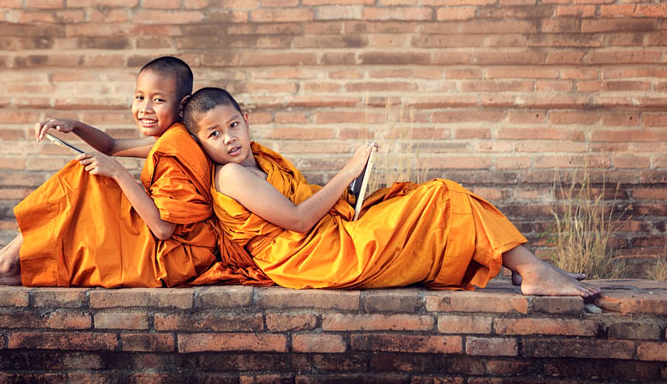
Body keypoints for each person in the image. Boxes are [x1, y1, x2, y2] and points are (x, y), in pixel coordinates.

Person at [182, 87, 600, 297]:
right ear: (202, 143)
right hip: (314, 257)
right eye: (214, 135)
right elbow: (298, 220)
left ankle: (531, 267)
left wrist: (354, 193)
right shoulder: (233, 177)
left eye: (233, 125)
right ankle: (531, 272)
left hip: (327, 236)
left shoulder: (260, 159)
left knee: (437, 194)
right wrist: (348, 171)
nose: (229, 139)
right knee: (442, 198)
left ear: (246, 119)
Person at [0, 57, 218, 287]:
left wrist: (118, 173)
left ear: (181, 106)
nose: (145, 109)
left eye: (158, 100)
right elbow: (111, 146)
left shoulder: (177, 145)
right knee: (85, 173)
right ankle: (6, 262)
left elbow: (162, 229)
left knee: (86, 176)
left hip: (173, 259)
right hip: (167, 250)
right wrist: (74, 125)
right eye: (139, 97)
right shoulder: (171, 138)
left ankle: (5, 263)